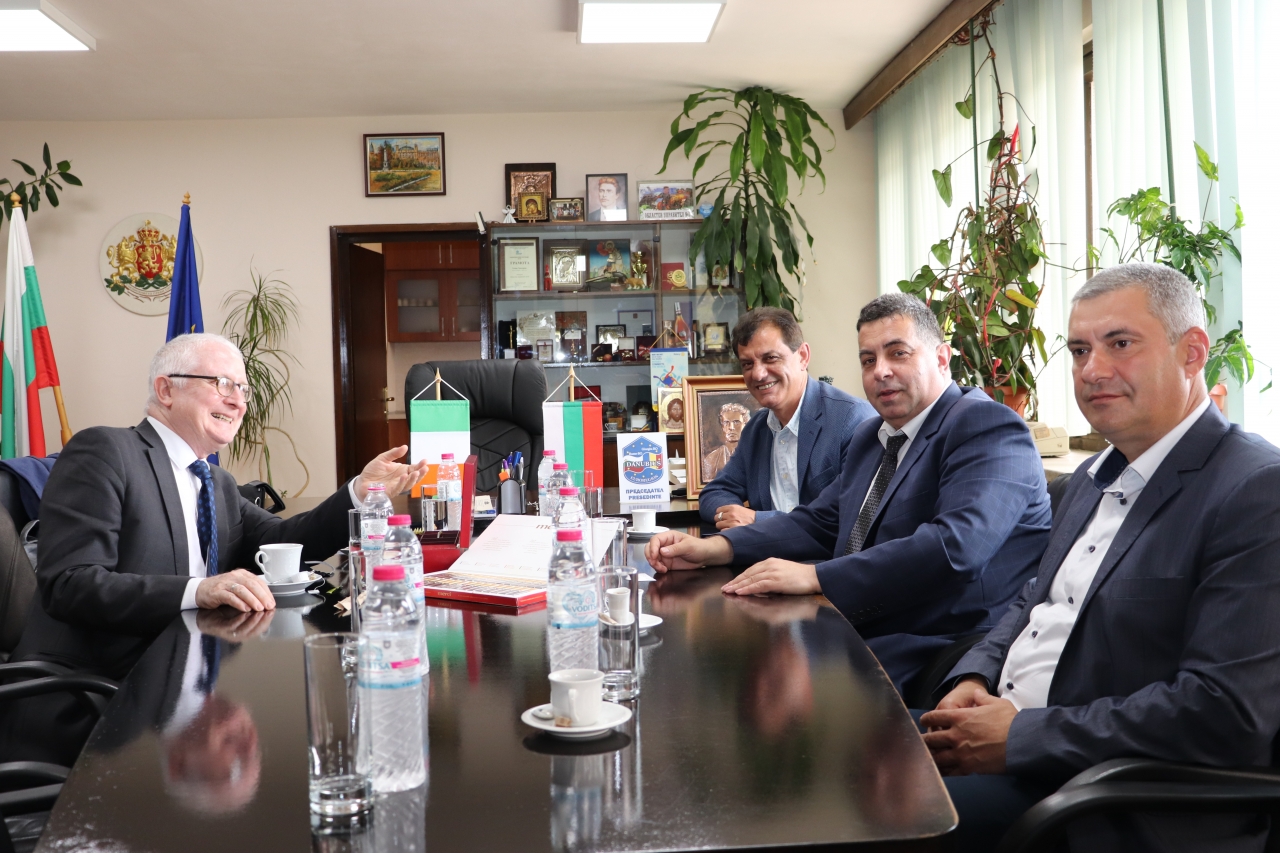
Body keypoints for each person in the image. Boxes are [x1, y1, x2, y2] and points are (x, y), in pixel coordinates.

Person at [920, 263, 1280, 853]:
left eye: (1121, 344)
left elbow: (1224, 714)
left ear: (1192, 353)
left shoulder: (1256, 490)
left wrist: (1020, 736)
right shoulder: (1091, 476)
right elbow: (1034, 599)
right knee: (850, 756)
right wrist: (975, 674)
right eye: (1080, 350)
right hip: (1009, 735)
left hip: (1106, 797)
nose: (1092, 370)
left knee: (868, 820)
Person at [648, 293, 1050, 694]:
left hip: (945, 648)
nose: (881, 371)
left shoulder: (984, 425)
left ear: (942, 358)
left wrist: (816, 576)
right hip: (862, 624)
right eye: (868, 360)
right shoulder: (874, 437)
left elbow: (954, 547)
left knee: (765, 682)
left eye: (898, 353)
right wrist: (713, 549)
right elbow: (820, 522)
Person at [14, 333, 428, 673]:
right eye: (222, 384)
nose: (238, 402)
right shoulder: (106, 452)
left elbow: (285, 541)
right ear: (166, 390)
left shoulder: (217, 482)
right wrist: (200, 590)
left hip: (193, 668)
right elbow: (71, 584)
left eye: (243, 390)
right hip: (108, 688)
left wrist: (359, 491)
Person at [698, 308, 877, 529]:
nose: (758, 374)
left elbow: (849, 516)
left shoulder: (854, 420)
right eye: (747, 364)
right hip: (763, 550)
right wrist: (731, 516)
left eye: (770, 358)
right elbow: (714, 493)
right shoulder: (756, 430)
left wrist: (758, 521)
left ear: (803, 356)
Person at [700, 402, 751, 483]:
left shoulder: (755, 454)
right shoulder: (711, 459)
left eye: (736, 422)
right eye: (726, 422)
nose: (731, 427)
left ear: (745, 424)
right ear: (722, 426)